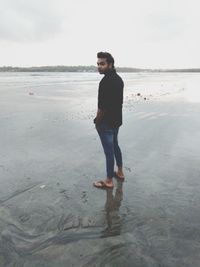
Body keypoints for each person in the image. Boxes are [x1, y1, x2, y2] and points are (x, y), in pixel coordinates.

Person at [93, 52, 125, 189]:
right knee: (115, 145)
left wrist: (97, 121)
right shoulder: (119, 79)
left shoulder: (105, 82)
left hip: (106, 123)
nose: (99, 66)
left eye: (102, 63)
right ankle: (120, 172)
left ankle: (109, 181)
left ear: (110, 64)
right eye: (98, 63)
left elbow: (102, 107)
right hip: (116, 121)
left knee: (109, 151)